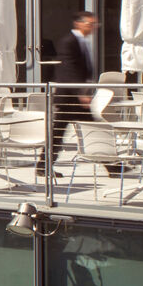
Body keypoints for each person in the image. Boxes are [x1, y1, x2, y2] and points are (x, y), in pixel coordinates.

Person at [43, 10, 100, 172]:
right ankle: (113, 166)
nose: (93, 27)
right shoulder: (69, 41)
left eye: (95, 24)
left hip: (73, 98)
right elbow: (69, 71)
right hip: (69, 98)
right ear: (79, 23)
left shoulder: (81, 42)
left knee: (61, 133)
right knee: (92, 132)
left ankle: (43, 165)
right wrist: (81, 93)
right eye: (90, 23)